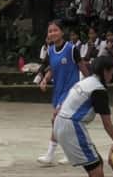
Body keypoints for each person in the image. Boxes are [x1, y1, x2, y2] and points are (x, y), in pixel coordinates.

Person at [38, 21, 89, 167]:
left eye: (55, 30)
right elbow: (52, 69)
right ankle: (70, 153)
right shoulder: (51, 51)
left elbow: (82, 68)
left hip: (70, 91)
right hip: (57, 91)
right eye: (50, 31)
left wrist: (92, 83)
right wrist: (44, 80)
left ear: (62, 32)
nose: (52, 33)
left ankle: (49, 155)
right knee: (66, 124)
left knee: (56, 119)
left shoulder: (72, 49)